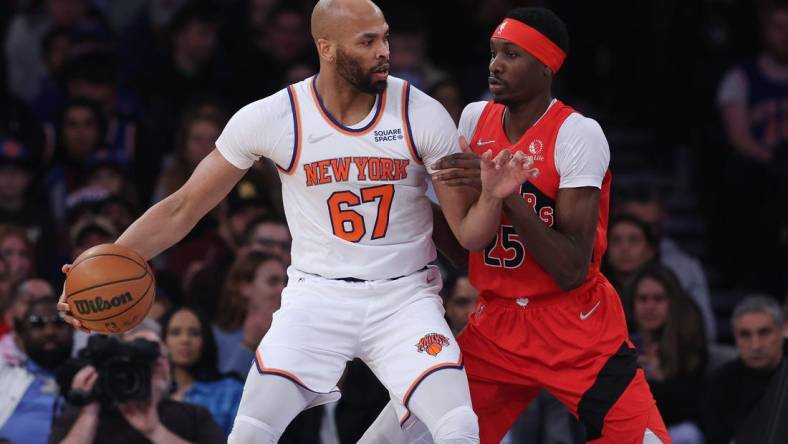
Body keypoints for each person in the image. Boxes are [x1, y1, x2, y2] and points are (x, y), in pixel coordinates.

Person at [59, 0, 506, 442]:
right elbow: (183, 206)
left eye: (385, 37)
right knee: (250, 433)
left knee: (459, 427)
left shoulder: (422, 113)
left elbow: (466, 232)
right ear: (326, 48)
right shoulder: (274, 117)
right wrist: (101, 270)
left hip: (405, 297)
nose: (384, 51)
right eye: (368, 41)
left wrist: (494, 198)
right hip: (317, 296)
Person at [369, 7, 671, 443]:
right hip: (497, 324)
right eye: (493, 52)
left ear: (546, 66)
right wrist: (404, 194)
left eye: (511, 54)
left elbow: (570, 269)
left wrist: (507, 195)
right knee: (391, 438)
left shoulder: (577, 134)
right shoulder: (474, 119)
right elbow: (466, 244)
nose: (495, 64)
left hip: (575, 329)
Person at [49, 324, 226, 444]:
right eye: (136, 360)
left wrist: (156, 431)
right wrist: (89, 416)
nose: (148, 367)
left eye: (155, 357)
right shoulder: (84, 413)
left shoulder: (194, 415)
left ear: (168, 366)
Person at [624, 265, 707, 444]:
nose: (650, 306)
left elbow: (692, 408)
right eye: (643, 299)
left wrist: (657, 380)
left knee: (688, 433)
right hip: (628, 429)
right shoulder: (619, 342)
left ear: (672, 302)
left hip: (674, 431)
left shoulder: (689, 343)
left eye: (658, 298)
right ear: (633, 303)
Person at [704, 295, 787, 444]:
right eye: (745, 335)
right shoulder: (721, 381)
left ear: (782, 331)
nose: (755, 345)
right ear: (735, 338)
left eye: (764, 332)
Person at [160, 306, 244, 436]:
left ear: (205, 340)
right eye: (175, 332)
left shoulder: (230, 391)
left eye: (194, 333)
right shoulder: (152, 395)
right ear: (163, 341)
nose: (185, 340)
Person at [0, 297, 73, 444]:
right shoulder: (3, 378)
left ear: (73, 330)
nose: (49, 332)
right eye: (37, 324)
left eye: (59, 323)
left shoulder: (93, 378)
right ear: (20, 337)